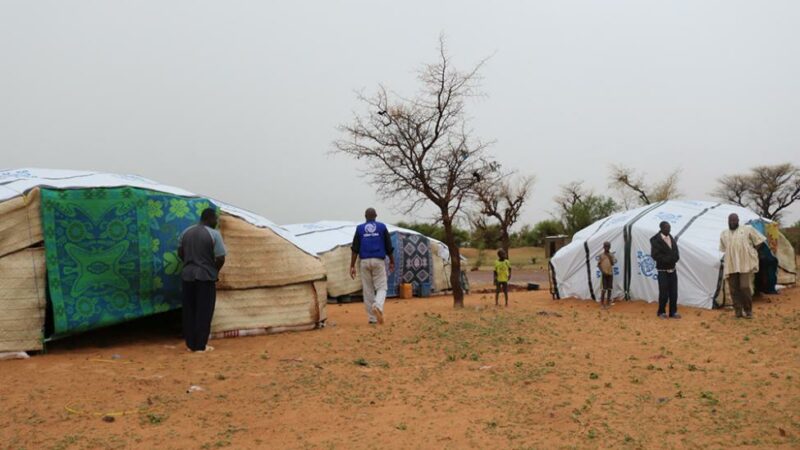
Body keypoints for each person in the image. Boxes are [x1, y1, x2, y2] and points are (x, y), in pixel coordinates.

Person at [178, 208, 226, 352]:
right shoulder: (214, 235)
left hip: (187, 276)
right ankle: (200, 346)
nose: (216, 222)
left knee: (189, 310)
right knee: (204, 311)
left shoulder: (186, 232)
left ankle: (190, 344)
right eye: (215, 219)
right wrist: (214, 270)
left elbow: (180, 253)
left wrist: (189, 262)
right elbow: (221, 257)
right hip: (205, 277)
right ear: (210, 218)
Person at [350, 208, 394, 325]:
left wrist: (352, 266)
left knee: (368, 290)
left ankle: (372, 318)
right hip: (378, 260)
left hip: (364, 261)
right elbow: (389, 246)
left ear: (365, 216)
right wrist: (392, 261)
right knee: (382, 287)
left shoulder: (359, 229)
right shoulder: (382, 227)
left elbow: (355, 249)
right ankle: (378, 305)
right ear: (376, 216)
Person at [719, 213, 767, 319]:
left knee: (744, 286)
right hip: (731, 265)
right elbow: (723, 248)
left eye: (734, 220)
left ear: (738, 220)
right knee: (733, 289)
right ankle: (738, 312)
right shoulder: (724, 233)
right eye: (730, 220)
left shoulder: (747, 229)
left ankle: (748, 310)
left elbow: (760, 240)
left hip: (744, 264)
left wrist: (753, 251)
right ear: (728, 221)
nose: (732, 222)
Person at [650, 221, 680, 319]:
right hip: (662, 270)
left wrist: (674, 258)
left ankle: (673, 312)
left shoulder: (671, 238)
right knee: (663, 292)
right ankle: (661, 312)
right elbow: (655, 255)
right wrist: (668, 260)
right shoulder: (655, 240)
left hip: (672, 269)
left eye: (669, 228)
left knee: (674, 292)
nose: (669, 229)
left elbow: (676, 252)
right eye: (667, 228)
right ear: (661, 228)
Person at [597, 241, 616, 309]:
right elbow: (598, 265)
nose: (607, 248)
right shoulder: (601, 255)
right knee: (604, 289)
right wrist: (602, 271)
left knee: (609, 289)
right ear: (604, 247)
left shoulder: (611, 255)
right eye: (606, 246)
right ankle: (602, 303)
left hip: (610, 273)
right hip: (604, 274)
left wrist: (610, 257)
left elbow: (613, 263)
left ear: (610, 247)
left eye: (608, 246)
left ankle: (608, 303)